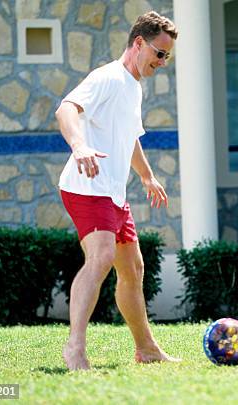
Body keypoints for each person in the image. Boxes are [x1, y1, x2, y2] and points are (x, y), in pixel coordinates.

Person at [55, 11, 179, 370]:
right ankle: (75, 349)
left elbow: (130, 138)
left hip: (113, 192)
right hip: (86, 186)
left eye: (167, 57)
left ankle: (147, 348)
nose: (162, 62)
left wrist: (146, 176)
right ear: (138, 43)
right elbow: (67, 109)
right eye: (159, 53)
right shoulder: (108, 77)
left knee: (133, 268)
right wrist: (79, 146)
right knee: (101, 258)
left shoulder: (133, 86)